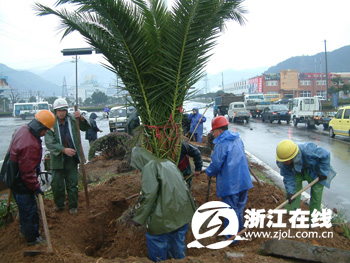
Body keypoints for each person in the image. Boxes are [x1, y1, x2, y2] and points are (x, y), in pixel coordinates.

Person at [130, 147, 196, 262]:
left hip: (165, 216)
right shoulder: (168, 163)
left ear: (138, 160)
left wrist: (139, 218)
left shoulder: (149, 167)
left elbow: (148, 195)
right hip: (183, 213)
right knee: (177, 242)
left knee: (156, 240)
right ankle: (180, 259)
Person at [2, 110, 55, 245]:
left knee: (23, 207)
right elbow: (27, 172)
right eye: (46, 130)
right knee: (29, 211)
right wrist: (36, 188)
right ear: (40, 127)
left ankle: (23, 230)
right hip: (21, 182)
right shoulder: (30, 144)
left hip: (13, 177)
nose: (46, 133)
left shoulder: (23, 129)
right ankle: (32, 239)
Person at [205, 116, 253, 241]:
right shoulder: (237, 139)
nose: (213, 133)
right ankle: (239, 231)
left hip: (231, 183)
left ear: (219, 131)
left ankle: (231, 237)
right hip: (244, 180)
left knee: (230, 210)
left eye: (213, 131)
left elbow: (216, 164)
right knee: (239, 208)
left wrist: (209, 172)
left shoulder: (222, 144)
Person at [45, 98, 91, 215]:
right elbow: (49, 142)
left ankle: (73, 206)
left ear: (66, 110)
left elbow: (86, 127)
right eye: (59, 110)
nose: (62, 113)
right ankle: (59, 205)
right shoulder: (50, 123)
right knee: (57, 184)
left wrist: (80, 117)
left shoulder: (72, 119)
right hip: (57, 158)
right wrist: (63, 150)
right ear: (55, 111)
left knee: (72, 183)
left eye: (64, 110)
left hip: (72, 158)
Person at [276, 139, 336, 217]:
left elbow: (326, 155)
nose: (284, 163)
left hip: (315, 170)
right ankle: (291, 214)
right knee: (293, 190)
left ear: (293, 156)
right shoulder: (283, 160)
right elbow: (288, 176)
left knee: (316, 194)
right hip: (298, 169)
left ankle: (314, 219)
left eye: (286, 161)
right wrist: (290, 192)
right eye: (283, 161)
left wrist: (323, 172)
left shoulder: (309, 151)